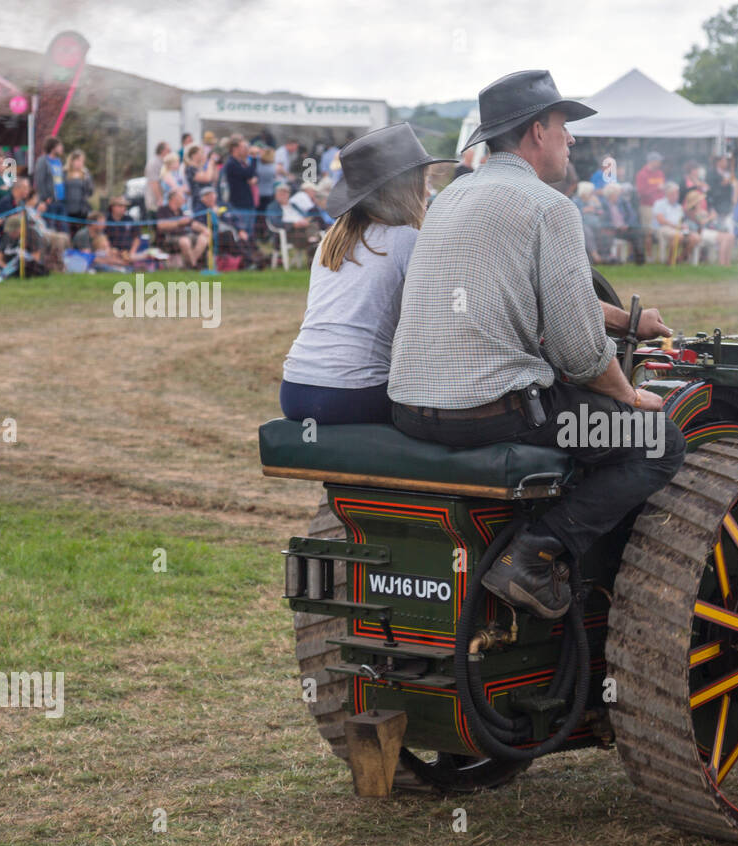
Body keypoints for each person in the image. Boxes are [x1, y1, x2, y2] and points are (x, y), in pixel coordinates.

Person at [389, 69, 684, 620]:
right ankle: (535, 554)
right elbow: (578, 352)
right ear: (535, 133)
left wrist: (629, 323)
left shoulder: (452, 198)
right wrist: (628, 395)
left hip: (411, 409)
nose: (571, 138)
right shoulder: (551, 207)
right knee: (656, 441)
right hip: (488, 414)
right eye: (563, 125)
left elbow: (538, 295)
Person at [281, 123, 453, 427]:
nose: (428, 191)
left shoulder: (331, 238)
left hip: (295, 389)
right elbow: (436, 325)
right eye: (423, 181)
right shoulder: (405, 239)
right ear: (404, 188)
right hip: (354, 394)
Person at [155, 188, 209, 268]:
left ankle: (191, 263)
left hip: (185, 235)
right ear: (174, 198)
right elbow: (160, 225)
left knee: (203, 238)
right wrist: (178, 223)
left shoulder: (180, 211)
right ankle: (193, 265)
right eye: (181, 197)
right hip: (169, 237)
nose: (184, 199)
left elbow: (192, 223)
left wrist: (204, 229)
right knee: (185, 241)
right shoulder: (163, 210)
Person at [682, 190, 734, 265]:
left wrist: (710, 217)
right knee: (725, 238)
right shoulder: (690, 212)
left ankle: (727, 262)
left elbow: (708, 222)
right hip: (699, 233)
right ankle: (722, 263)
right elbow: (701, 222)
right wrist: (710, 217)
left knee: (730, 237)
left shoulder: (700, 211)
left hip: (706, 232)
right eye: (699, 201)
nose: (701, 202)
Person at [599, 182, 646, 264]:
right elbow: (602, 220)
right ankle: (610, 260)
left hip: (625, 229)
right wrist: (615, 226)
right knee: (606, 236)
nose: (618, 196)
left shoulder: (623, 203)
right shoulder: (603, 205)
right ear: (610, 195)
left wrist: (627, 225)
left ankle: (640, 260)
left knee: (637, 234)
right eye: (616, 194)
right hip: (612, 230)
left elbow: (632, 215)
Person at [652, 181, 698, 263]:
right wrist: (676, 226)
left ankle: (680, 258)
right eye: (674, 194)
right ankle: (670, 260)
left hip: (678, 229)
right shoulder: (659, 204)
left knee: (695, 238)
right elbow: (661, 221)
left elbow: (682, 220)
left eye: (677, 193)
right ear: (667, 194)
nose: (676, 196)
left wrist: (684, 226)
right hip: (664, 228)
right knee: (678, 236)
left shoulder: (679, 207)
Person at [62, 149, 94, 225]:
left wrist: (87, 178)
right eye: (78, 160)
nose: (80, 163)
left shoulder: (86, 174)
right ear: (72, 161)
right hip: (67, 209)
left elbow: (90, 191)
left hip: (81, 210)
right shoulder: (64, 173)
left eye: (82, 161)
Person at [144, 141, 169, 216]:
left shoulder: (163, 162)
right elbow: (154, 183)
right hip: (154, 201)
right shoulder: (153, 163)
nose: (170, 153)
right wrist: (160, 199)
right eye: (168, 150)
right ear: (162, 151)